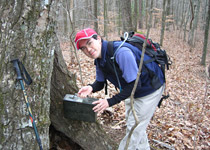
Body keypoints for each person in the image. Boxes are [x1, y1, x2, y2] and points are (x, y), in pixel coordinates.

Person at [74, 28, 165, 150]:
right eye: (83, 48)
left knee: (134, 129)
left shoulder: (121, 53)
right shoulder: (100, 59)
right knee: (135, 126)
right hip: (132, 90)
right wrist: (90, 87)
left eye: (89, 43)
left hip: (149, 89)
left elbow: (134, 86)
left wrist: (109, 102)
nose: (88, 50)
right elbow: (100, 83)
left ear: (99, 39)